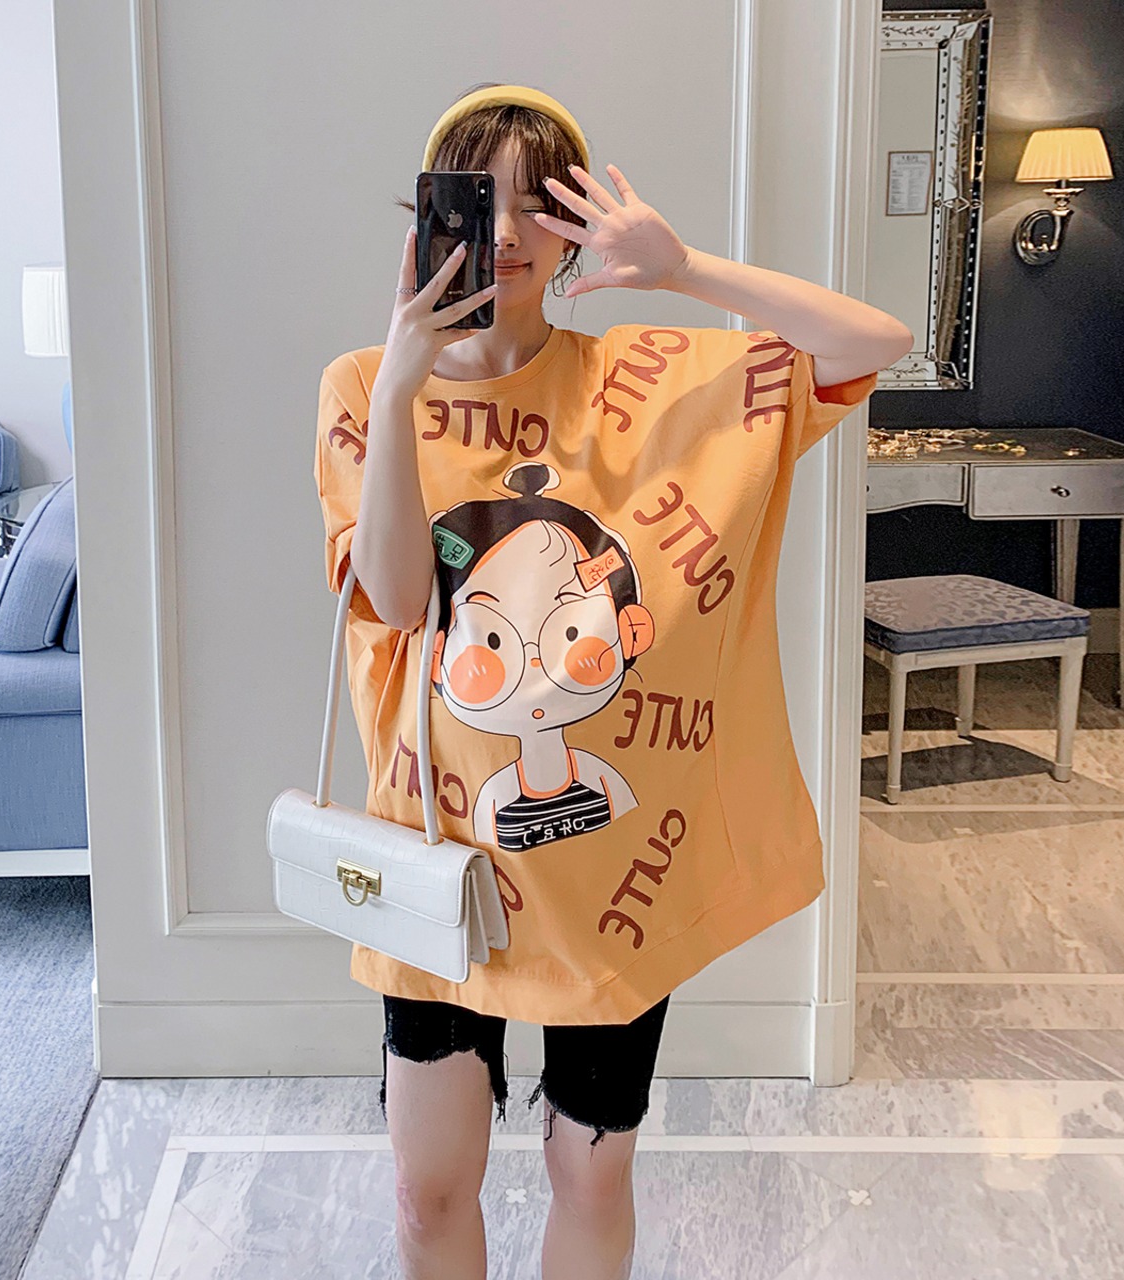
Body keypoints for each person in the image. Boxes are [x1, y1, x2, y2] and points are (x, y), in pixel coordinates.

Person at [314, 82, 913, 1280]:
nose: (503, 233)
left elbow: (872, 342)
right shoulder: (362, 383)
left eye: (537, 204)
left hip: (613, 874)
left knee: (590, 1172)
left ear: (577, 226)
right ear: (426, 214)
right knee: (428, 1188)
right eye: (472, 200)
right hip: (435, 854)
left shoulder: (647, 375)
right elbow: (396, 599)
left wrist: (684, 269)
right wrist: (402, 384)